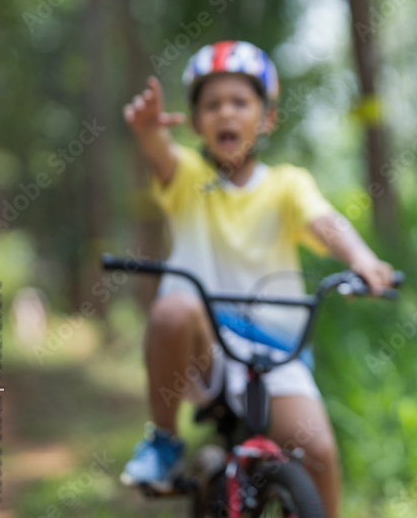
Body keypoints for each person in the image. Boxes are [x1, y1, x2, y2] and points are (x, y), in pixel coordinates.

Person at [121, 40, 394, 518]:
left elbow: (325, 221)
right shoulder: (188, 177)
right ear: (196, 121)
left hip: (273, 350)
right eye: (212, 104)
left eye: (240, 102)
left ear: (265, 118)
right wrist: (147, 134)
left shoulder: (286, 184)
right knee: (171, 309)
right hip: (206, 341)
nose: (226, 113)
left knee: (319, 455)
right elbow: (162, 155)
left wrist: (361, 259)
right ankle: (165, 442)